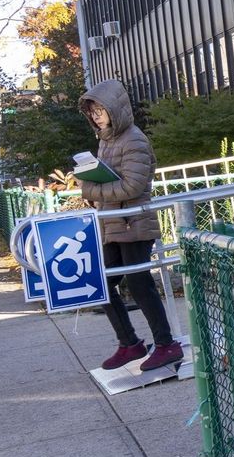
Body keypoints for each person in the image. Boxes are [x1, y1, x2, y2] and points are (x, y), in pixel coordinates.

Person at [78, 79, 182, 372]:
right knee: (99, 283)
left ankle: (166, 345)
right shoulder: (106, 139)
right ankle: (130, 344)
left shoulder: (133, 139)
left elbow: (133, 186)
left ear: (115, 108)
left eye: (101, 109)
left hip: (134, 221)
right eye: (93, 110)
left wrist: (91, 190)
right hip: (115, 223)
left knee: (140, 284)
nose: (97, 115)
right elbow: (110, 180)